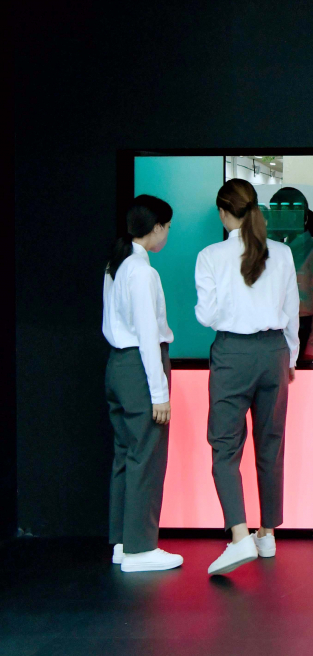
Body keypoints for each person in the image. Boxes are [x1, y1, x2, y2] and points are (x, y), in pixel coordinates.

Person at [196, 178, 299, 576]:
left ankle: (239, 536)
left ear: (224, 213)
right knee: (271, 443)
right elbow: (291, 311)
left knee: (224, 446)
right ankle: (267, 534)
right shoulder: (283, 253)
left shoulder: (211, 256)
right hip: (274, 352)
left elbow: (207, 315)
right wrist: (289, 358)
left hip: (233, 354)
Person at [103, 195, 184, 572]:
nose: (167, 233)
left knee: (126, 455)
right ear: (156, 228)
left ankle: (123, 543)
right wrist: (160, 393)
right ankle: (140, 549)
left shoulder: (116, 264)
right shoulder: (142, 272)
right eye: (167, 227)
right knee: (147, 457)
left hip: (118, 366)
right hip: (139, 367)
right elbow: (149, 336)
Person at [268, 187, 313, 359]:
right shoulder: (277, 249)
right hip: (277, 326)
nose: (272, 218)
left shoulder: (312, 250)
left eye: (277, 212)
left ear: (295, 215)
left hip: (303, 328)